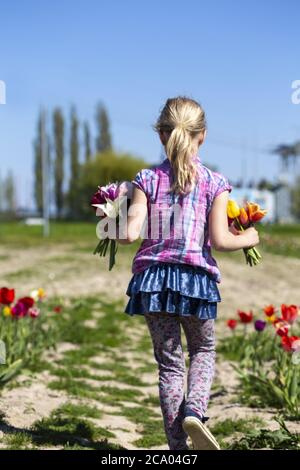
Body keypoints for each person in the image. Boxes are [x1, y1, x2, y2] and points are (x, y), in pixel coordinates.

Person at [117, 96, 259, 450]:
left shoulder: (145, 179)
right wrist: (250, 237)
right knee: (203, 350)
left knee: (169, 365)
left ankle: (178, 448)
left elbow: (130, 235)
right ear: (203, 136)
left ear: (161, 135)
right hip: (196, 282)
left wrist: (111, 219)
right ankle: (194, 409)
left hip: (153, 282)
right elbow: (221, 240)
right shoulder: (214, 182)